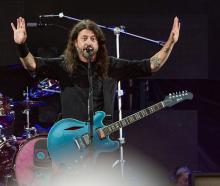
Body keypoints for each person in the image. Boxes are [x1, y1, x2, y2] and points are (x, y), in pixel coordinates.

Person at [11, 16, 180, 125]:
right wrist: (21, 45)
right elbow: (32, 64)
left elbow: (151, 65)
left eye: (93, 39)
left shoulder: (112, 66)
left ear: (98, 45)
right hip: (70, 139)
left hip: (101, 141)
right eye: (84, 38)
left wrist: (170, 43)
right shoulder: (64, 65)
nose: (89, 42)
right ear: (75, 43)